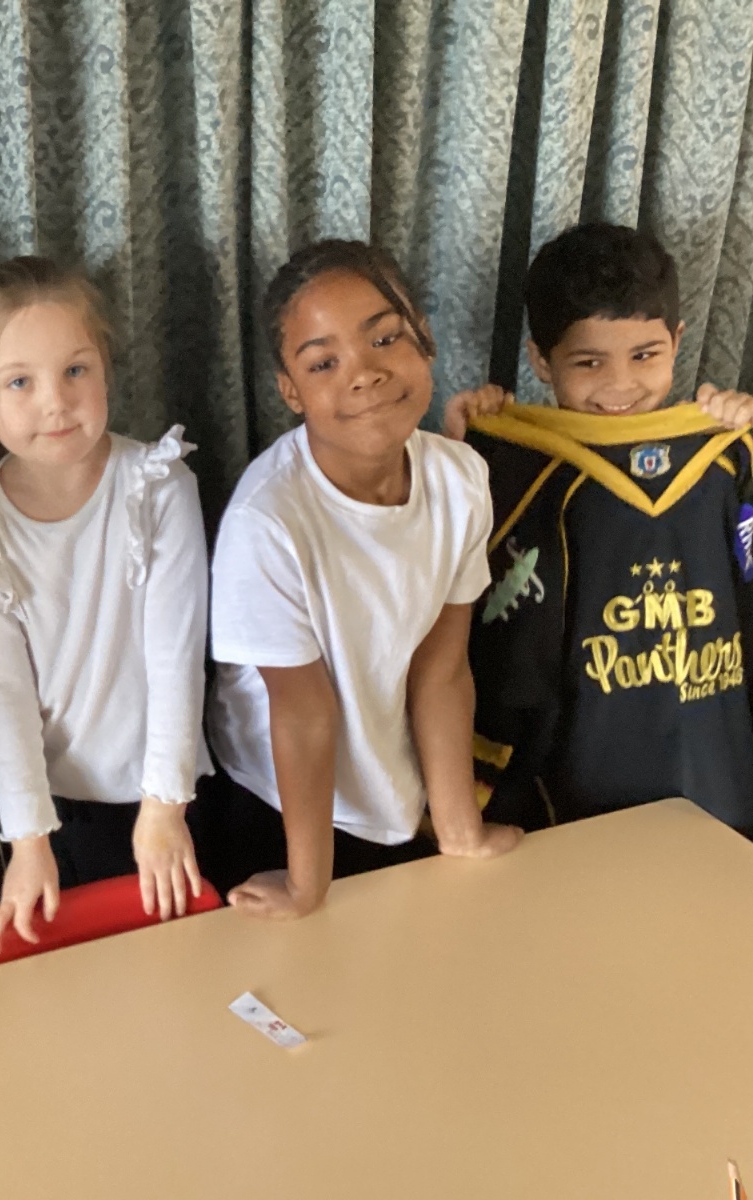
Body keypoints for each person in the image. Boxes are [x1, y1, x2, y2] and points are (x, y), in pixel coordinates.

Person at [442, 222, 753, 834]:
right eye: (589, 362)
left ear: (677, 340)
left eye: (645, 355)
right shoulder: (519, 466)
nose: (620, 385)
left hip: (712, 761)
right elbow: (440, 580)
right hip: (575, 774)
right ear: (540, 360)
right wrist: (461, 455)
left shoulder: (722, 454)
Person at [206, 239, 521, 921]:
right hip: (280, 807)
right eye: (324, 362)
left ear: (425, 338)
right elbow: (302, 712)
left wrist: (458, 828)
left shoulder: (462, 480)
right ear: (291, 391)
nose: (365, 373)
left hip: (393, 797)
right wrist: (306, 883)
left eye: (384, 338)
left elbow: (441, 669)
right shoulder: (267, 523)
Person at [0, 256, 212, 955]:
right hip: (56, 817)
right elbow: (2, 694)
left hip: (171, 797)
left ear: (106, 369)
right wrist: (29, 841)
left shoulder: (158, 487)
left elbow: (177, 659)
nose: (55, 402)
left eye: (75, 370)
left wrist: (164, 808)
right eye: (20, 382)